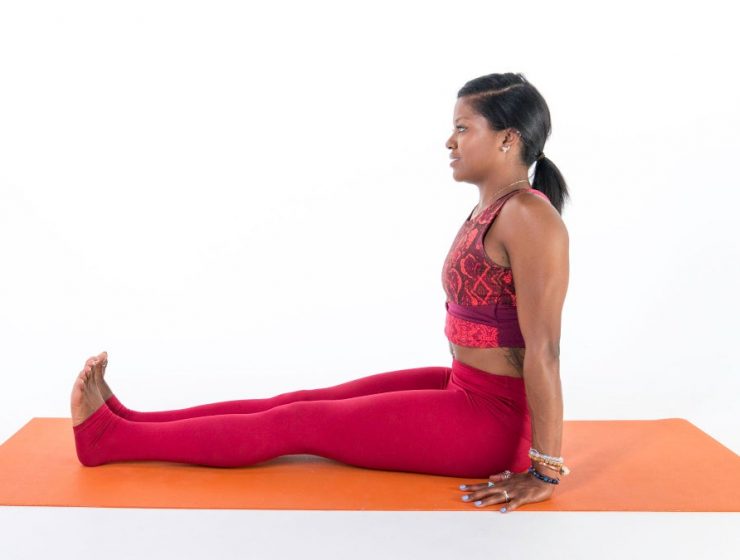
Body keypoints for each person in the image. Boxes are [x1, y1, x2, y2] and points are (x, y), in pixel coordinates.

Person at [70, 72, 570, 513]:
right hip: (463, 388)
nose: (449, 141)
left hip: (492, 423)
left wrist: (544, 473)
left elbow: (545, 350)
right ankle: (128, 421)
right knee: (298, 401)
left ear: (507, 138)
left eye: (463, 128)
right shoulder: (494, 208)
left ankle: (111, 441)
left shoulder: (529, 217)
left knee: (299, 423)